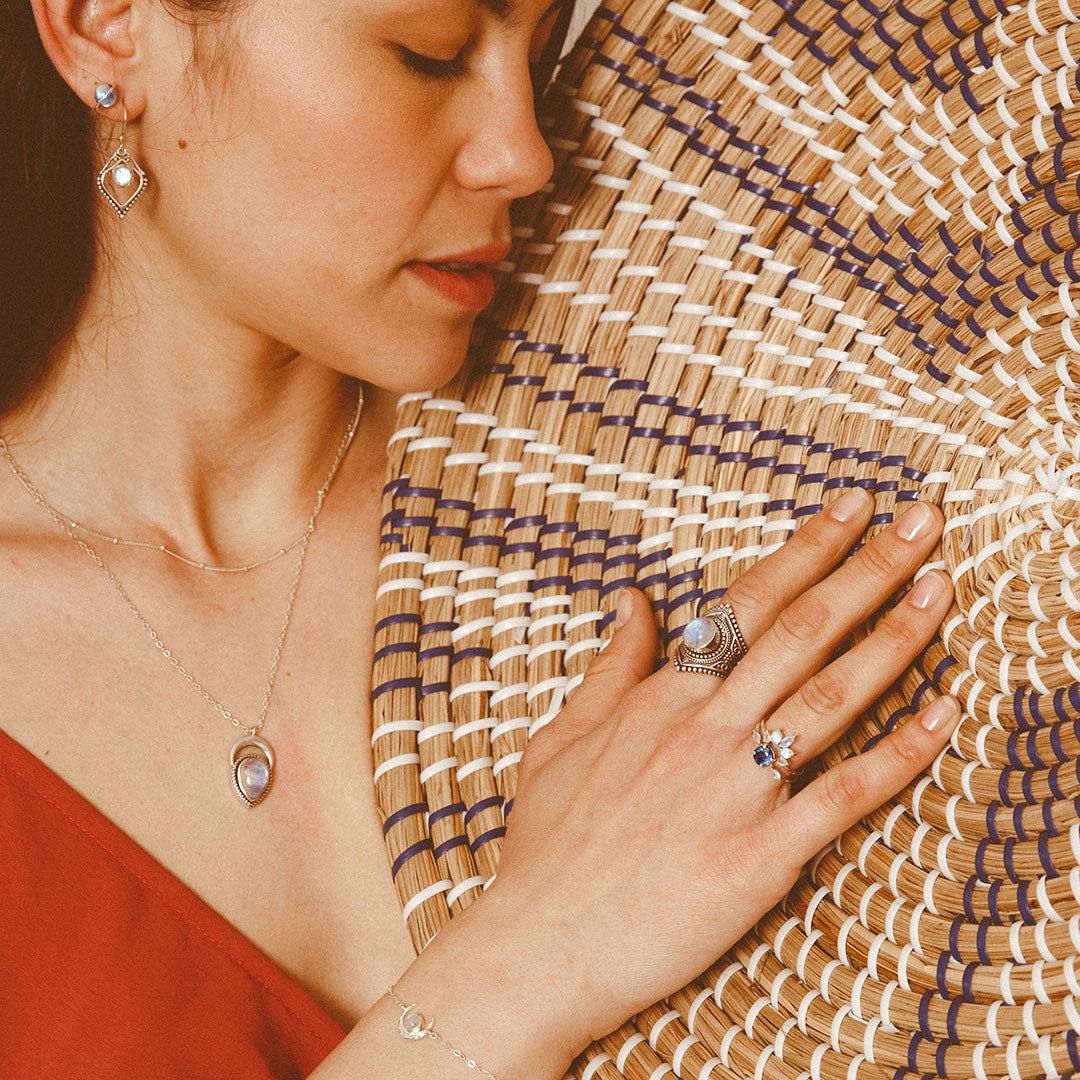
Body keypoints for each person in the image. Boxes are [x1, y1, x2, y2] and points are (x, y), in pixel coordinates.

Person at [1, 0, 962, 1076]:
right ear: (105, 26)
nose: (525, 154)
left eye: (543, 52)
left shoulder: (656, 501)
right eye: (429, 54)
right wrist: (535, 957)